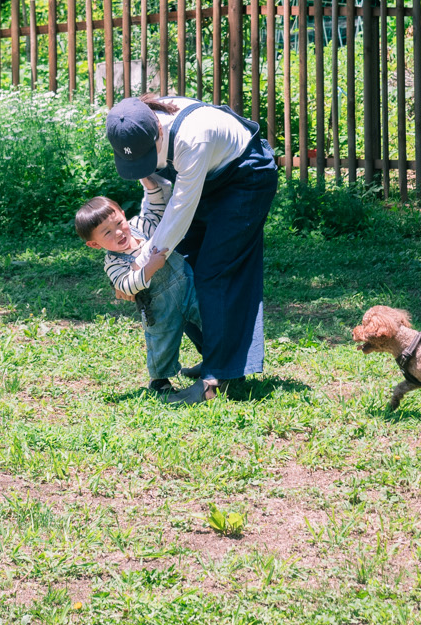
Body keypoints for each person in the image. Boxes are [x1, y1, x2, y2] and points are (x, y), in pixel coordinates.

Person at [104, 93, 276, 403]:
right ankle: (218, 354)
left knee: (216, 271)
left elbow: (180, 211)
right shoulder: (138, 129)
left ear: (157, 128)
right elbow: (158, 194)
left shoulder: (192, 137)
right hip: (205, 178)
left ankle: (217, 379)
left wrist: (142, 262)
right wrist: (144, 264)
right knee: (184, 269)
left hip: (244, 178)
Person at [75, 195, 204, 392]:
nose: (118, 232)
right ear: (95, 244)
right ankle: (160, 382)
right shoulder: (113, 263)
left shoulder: (139, 227)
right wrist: (150, 267)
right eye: (107, 233)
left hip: (187, 287)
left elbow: (155, 210)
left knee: (210, 319)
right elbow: (125, 285)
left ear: (124, 215)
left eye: (119, 223)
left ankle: (217, 360)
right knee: (162, 341)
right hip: (159, 306)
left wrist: (149, 183)